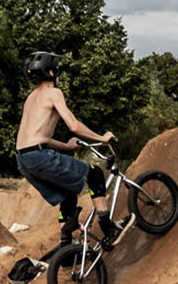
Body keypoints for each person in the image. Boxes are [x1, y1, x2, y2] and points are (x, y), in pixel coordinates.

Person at [14, 51, 123, 247]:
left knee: (68, 195)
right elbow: (74, 126)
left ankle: (65, 245)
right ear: (50, 72)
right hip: (39, 156)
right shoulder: (54, 93)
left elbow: (40, 138)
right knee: (95, 174)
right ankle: (108, 228)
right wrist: (102, 138)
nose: (58, 74)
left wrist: (67, 147)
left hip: (23, 160)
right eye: (56, 70)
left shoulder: (31, 98)